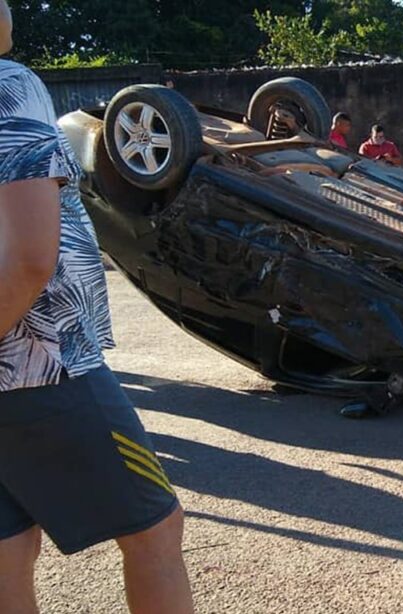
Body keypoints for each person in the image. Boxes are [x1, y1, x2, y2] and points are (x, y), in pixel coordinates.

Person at [0, 3, 194, 613]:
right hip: (41, 360)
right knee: (155, 531)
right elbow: (31, 257)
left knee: (6, 551)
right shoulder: (10, 84)